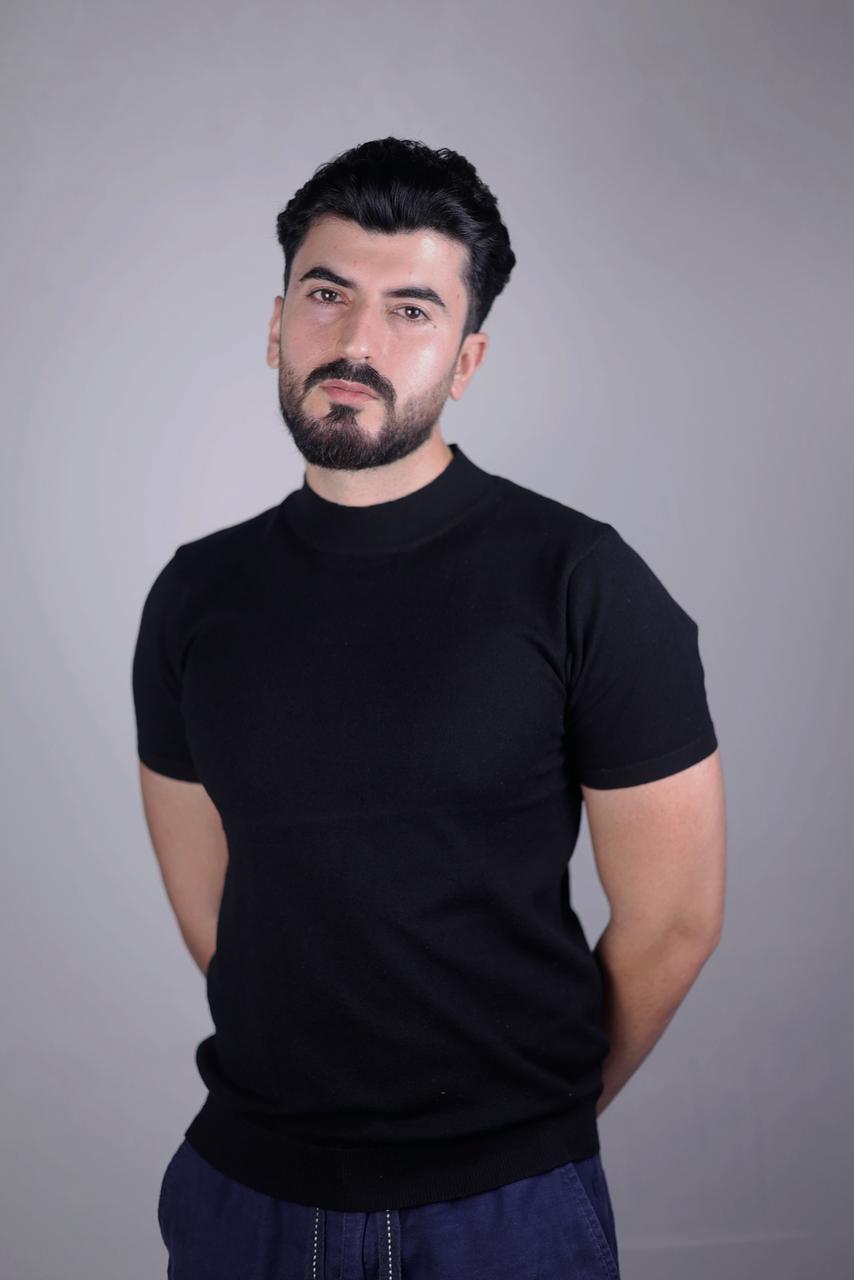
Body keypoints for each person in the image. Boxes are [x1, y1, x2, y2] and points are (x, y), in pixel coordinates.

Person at [132, 137, 726, 1280]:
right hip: (243, 1198)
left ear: (465, 358)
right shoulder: (196, 594)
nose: (356, 341)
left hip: (505, 1213)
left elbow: (674, 920)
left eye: (411, 309)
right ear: (275, 323)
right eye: (326, 295)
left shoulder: (579, 582)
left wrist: (520, 1128)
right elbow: (214, 908)